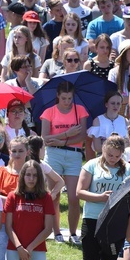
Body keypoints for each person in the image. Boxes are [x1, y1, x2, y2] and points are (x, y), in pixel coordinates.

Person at [75, 135, 130, 260]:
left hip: (115, 221)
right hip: (93, 218)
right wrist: (100, 197)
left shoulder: (129, 170)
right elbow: (79, 192)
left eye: (117, 156)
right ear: (103, 149)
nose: (113, 159)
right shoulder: (92, 165)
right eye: (110, 155)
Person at [41, 81, 88, 244]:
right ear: (58, 96)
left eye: (70, 98)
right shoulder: (49, 112)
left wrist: (60, 140)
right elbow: (45, 138)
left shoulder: (79, 110)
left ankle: (74, 233)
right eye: (64, 98)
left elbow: (82, 136)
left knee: (74, 197)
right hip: (53, 154)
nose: (67, 101)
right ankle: (57, 232)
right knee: (55, 194)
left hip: (74, 156)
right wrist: (66, 135)